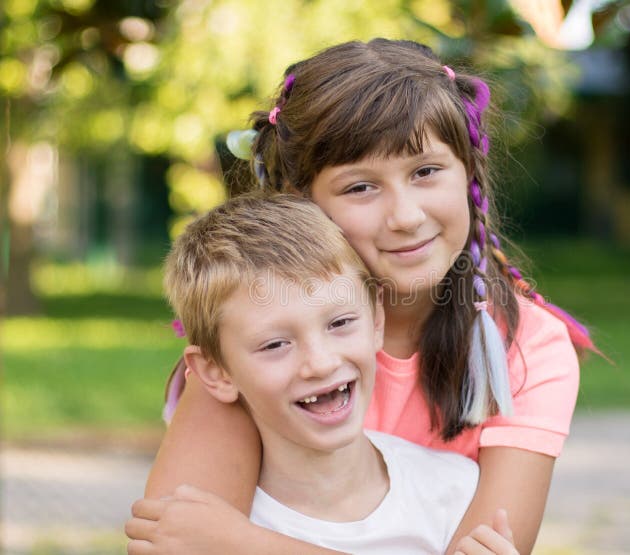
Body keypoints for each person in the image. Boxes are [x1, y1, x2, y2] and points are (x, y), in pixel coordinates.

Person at [127, 38, 596, 555]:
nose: (405, 216)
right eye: (360, 187)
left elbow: (216, 542)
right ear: (300, 204)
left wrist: (241, 542)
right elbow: (175, 544)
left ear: (469, 174)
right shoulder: (263, 341)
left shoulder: (528, 348)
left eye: (425, 172)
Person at [126, 192, 516, 553]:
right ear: (216, 373)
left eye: (340, 323)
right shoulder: (199, 529)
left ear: (376, 317)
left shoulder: (454, 492)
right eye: (275, 345)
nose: (321, 362)